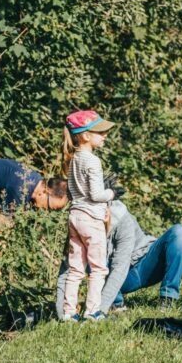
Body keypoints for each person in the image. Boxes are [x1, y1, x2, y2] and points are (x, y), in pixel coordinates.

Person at [55, 200, 182, 317]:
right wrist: (62, 312)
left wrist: (99, 310)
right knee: (91, 257)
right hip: (121, 278)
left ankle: (168, 297)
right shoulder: (79, 220)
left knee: (180, 233)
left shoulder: (121, 218)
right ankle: (116, 304)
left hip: (145, 263)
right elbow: (67, 270)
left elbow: (120, 266)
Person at [61, 109, 119, 321]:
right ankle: (92, 311)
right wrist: (112, 193)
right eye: (100, 132)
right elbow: (96, 195)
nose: (105, 136)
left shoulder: (73, 159)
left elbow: (74, 191)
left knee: (76, 269)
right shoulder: (93, 161)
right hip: (91, 219)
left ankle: (68, 313)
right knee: (98, 268)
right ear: (85, 135)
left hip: (75, 216)